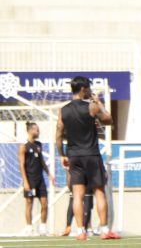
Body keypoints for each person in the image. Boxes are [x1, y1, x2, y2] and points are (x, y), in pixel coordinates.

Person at [55, 76, 120, 240]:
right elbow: (109, 120)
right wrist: (98, 103)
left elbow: (58, 134)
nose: (90, 91)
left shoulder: (63, 110)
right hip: (91, 154)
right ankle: (105, 230)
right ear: (84, 89)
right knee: (99, 191)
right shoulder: (91, 107)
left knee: (77, 195)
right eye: (89, 88)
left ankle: (81, 231)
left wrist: (62, 154)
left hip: (74, 156)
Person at [19, 122, 51, 236]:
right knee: (29, 203)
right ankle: (29, 227)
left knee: (45, 203)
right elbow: (22, 165)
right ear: (30, 130)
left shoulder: (39, 145)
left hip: (40, 179)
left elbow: (42, 161)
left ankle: (42, 227)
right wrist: (25, 182)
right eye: (37, 130)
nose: (38, 132)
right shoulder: (23, 147)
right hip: (30, 180)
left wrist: (49, 173)